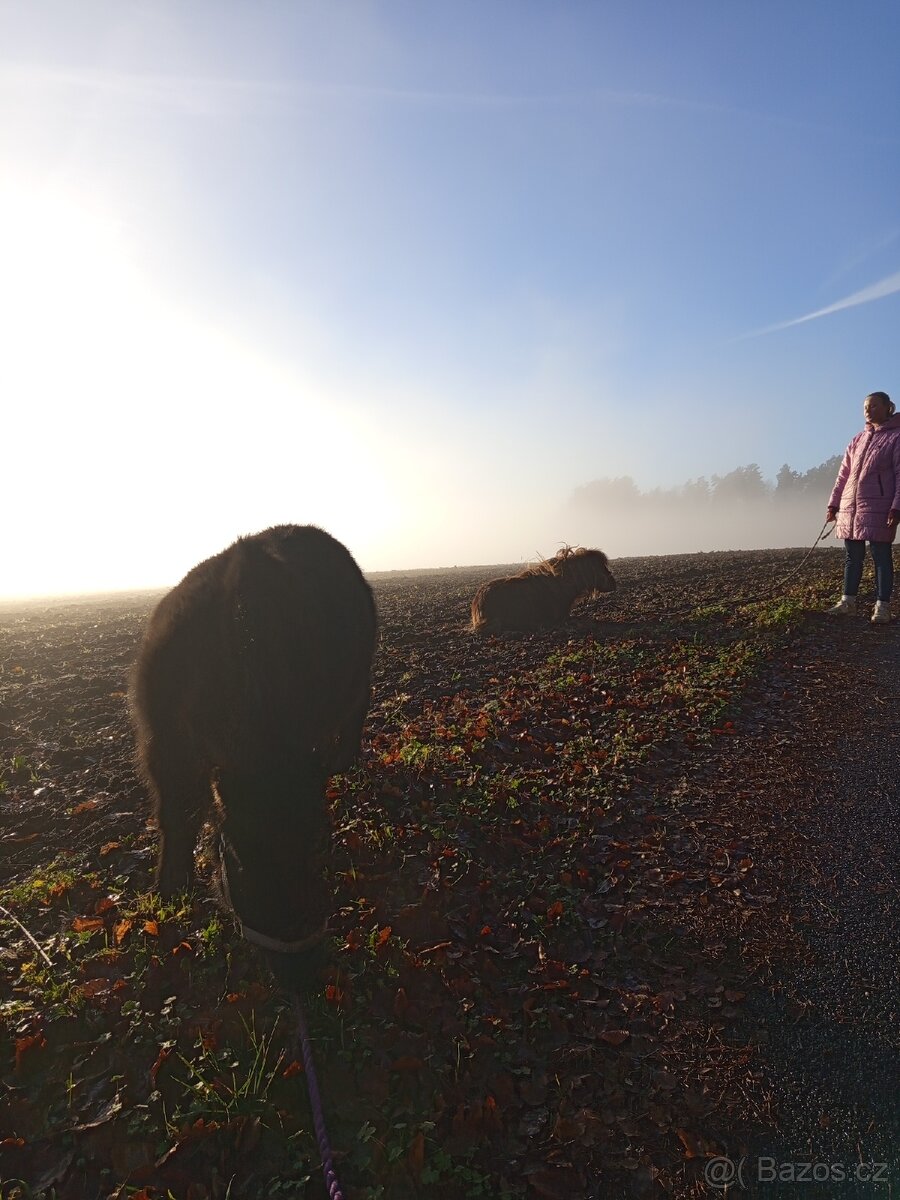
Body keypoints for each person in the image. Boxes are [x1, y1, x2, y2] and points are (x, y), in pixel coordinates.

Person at [826, 391, 900, 623]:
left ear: (888, 407)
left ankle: (883, 607)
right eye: (866, 407)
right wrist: (834, 504)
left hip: (881, 507)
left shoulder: (897, 437)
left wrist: (897, 508)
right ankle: (848, 602)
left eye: (874, 406)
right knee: (852, 557)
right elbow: (843, 476)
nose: (868, 410)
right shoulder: (857, 440)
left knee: (881, 557)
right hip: (851, 508)